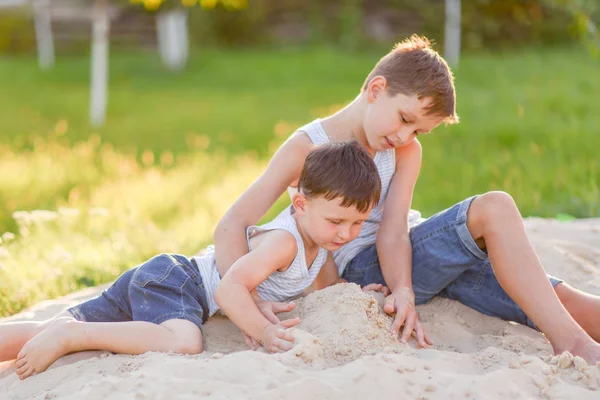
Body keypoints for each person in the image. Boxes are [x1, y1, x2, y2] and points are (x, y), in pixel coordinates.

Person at [213, 35, 600, 364]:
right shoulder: (307, 147)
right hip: (366, 269)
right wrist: (247, 298)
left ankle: (574, 328)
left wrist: (405, 289)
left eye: (419, 130)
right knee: (494, 208)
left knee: (566, 301)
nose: (405, 136)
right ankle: (571, 343)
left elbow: (396, 229)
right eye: (403, 118)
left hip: (407, 261)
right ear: (376, 89)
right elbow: (233, 224)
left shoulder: (404, 150)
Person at [0, 141, 386, 380]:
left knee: (58, 321)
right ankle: (71, 337)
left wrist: (357, 293)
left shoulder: (322, 240)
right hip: (178, 281)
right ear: (300, 204)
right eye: (337, 221)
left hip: (162, 276)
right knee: (184, 341)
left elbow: (330, 285)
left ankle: (59, 330)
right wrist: (265, 332)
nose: (345, 234)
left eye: (357, 223)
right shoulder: (284, 243)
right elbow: (230, 289)